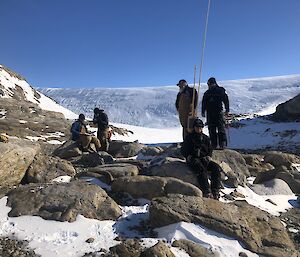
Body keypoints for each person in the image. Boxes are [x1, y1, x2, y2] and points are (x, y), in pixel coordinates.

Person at [181, 118, 222, 199]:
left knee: (216, 168)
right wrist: (188, 156)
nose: (199, 128)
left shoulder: (206, 138)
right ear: (194, 127)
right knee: (201, 169)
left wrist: (208, 156)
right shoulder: (189, 138)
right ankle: (206, 191)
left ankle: (215, 190)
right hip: (193, 159)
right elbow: (183, 150)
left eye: (200, 127)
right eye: (197, 127)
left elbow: (210, 149)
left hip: (204, 159)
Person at [202, 77, 229, 149]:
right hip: (210, 113)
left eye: (210, 84)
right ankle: (214, 144)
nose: (209, 85)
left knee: (220, 128)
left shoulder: (220, 90)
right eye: (208, 84)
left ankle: (222, 144)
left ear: (214, 83)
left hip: (218, 112)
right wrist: (203, 111)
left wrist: (227, 109)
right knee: (211, 129)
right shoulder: (207, 93)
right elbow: (204, 102)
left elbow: (226, 100)